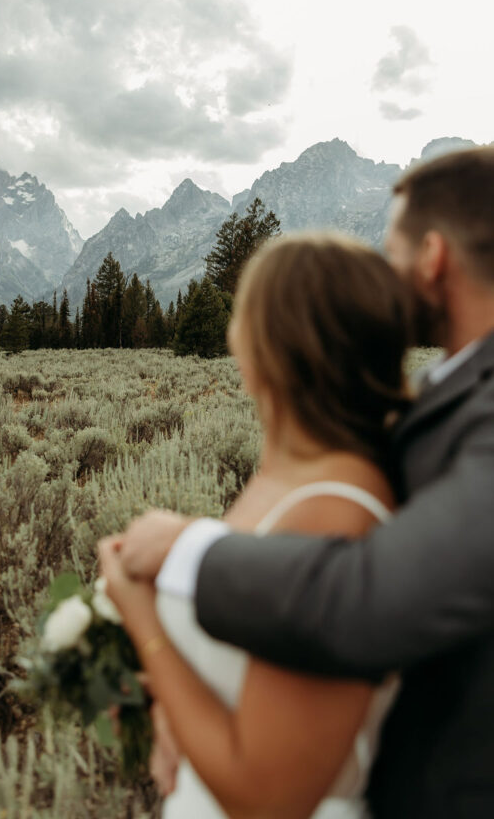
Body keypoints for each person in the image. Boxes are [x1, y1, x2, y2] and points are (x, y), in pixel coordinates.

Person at [114, 146, 494, 819]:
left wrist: (172, 567)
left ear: (432, 257)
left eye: (391, 249)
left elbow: (360, 598)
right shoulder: (440, 407)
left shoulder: (339, 500)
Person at [100, 231, 413, 818]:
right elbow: (245, 683)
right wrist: (161, 706)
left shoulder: (332, 512)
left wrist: (139, 614)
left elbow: (269, 798)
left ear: (269, 347)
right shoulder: (288, 479)